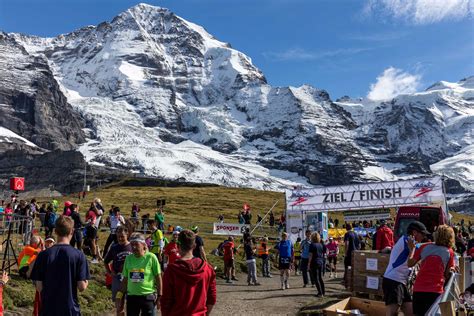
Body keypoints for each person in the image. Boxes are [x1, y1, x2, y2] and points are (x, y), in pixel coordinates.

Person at [31, 215, 90, 316]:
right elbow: (82, 286)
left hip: (48, 309)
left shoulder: (43, 255)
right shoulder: (79, 255)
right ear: (72, 231)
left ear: (55, 231)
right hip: (70, 308)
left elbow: (39, 288)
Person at [160, 229, 216, 316]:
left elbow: (166, 300)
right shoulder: (208, 269)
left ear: (178, 246)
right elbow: (212, 298)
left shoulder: (171, 270)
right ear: (194, 246)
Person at [408, 225, 456, 316]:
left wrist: (412, 249)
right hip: (435, 290)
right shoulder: (449, 252)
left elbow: (409, 264)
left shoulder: (424, 247)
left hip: (419, 289)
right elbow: (446, 274)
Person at [382, 221, 429, 316]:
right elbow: (410, 262)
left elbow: (422, 247)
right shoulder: (407, 241)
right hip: (393, 280)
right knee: (392, 313)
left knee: (410, 312)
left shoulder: (411, 242)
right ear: (415, 233)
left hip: (401, 282)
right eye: (422, 234)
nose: (424, 237)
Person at [116, 232, 162, 316]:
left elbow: (158, 278)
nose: (133, 247)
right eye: (132, 245)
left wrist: (159, 296)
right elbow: (125, 280)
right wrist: (119, 296)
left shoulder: (151, 257)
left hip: (147, 297)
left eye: (136, 245)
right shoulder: (128, 258)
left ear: (144, 245)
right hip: (132, 298)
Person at [104, 226, 132, 316]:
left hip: (131, 278)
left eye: (122, 236)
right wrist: (109, 272)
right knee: (119, 304)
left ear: (127, 234)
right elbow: (106, 261)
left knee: (132, 303)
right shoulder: (114, 247)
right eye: (118, 236)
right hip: (118, 277)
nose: (120, 238)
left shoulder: (132, 246)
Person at [309, 232, 326, 297]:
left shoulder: (312, 245)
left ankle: (320, 293)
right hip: (320, 261)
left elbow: (310, 255)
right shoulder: (321, 244)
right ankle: (323, 292)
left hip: (314, 262)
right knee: (320, 278)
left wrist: (308, 264)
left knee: (316, 278)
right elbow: (324, 252)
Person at [343, 223, 359, 289]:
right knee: (354, 268)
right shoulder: (356, 234)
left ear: (346, 228)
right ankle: (354, 283)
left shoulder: (347, 234)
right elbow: (359, 244)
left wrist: (345, 253)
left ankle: (347, 284)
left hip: (349, 254)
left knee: (347, 268)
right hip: (355, 253)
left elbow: (347, 243)